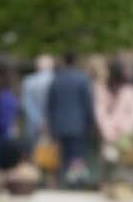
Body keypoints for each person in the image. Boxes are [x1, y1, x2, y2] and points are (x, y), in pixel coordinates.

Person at [44, 49, 104, 191]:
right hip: (79, 125)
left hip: (60, 125)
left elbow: (50, 106)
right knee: (77, 157)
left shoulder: (56, 79)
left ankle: (64, 184)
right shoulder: (82, 79)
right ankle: (75, 186)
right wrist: (91, 124)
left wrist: (51, 126)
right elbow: (88, 105)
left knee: (63, 156)